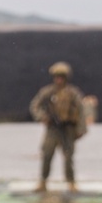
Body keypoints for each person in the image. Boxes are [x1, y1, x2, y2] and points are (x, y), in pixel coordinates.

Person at [29, 61, 85, 194]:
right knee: (47, 154)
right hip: (52, 128)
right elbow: (35, 106)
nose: (59, 79)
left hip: (68, 129)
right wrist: (42, 117)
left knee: (68, 157)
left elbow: (81, 110)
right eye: (57, 76)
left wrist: (80, 129)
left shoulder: (73, 93)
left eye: (62, 77)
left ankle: (71, 182)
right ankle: (43, 181)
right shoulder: (48, 92)